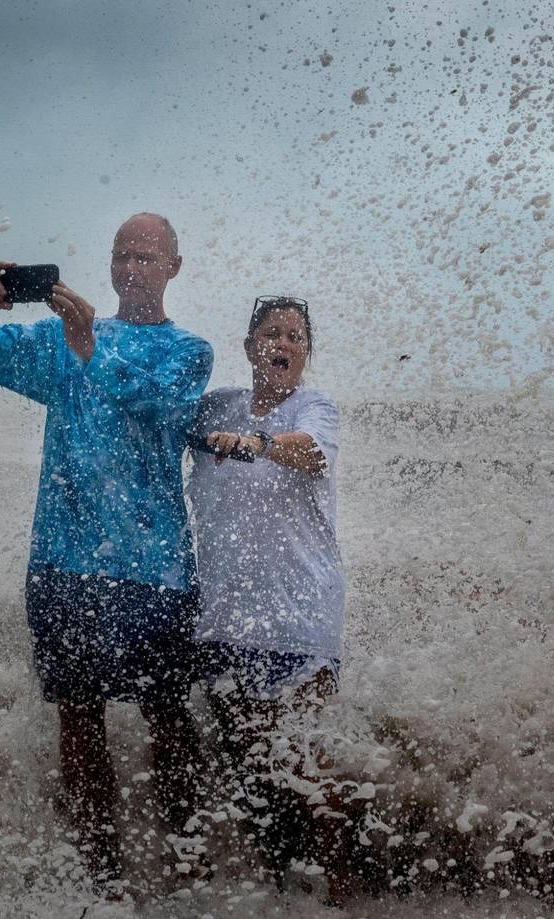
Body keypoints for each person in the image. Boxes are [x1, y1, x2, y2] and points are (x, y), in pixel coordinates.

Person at [0, 213, 212, 891]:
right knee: (78, 719)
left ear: (173, 268)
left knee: (168, 717)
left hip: (154, 571)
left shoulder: (190, 352)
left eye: (146, 257)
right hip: (63, 563)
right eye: (121, 255)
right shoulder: (56, 340)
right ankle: (103, 879)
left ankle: (189, 872)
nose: (132, 268)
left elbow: (157, 402)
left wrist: (90, 342)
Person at [185, 295, 348, 901]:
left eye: (295, 337)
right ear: (249, 344)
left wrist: (256, 442)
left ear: (306, 355)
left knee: (302, 765)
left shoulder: (313, 407)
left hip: (299, 615)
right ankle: (280, 892)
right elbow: (156, 423)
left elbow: (310, 451)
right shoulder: (216, 406)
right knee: (250, 767)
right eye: (272, 333)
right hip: (225, 617)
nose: (283, 344)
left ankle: (336, 891)